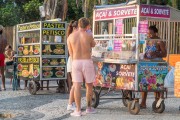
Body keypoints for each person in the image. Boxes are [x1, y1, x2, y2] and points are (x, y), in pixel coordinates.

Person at [67, 17, 96, 117]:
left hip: (75, 61)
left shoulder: (70, 37)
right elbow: (93, 44)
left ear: (78, 25)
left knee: (77, 86)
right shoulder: (88, 35)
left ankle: (78, 110)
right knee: (89, 85)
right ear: (87, 26)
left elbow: (70, 53)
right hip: (87, 61)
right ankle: (89, 108)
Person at [140, 25, 167, 108]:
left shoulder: (159, 42)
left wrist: (156, 53)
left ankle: (157, 101)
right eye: (148, 33)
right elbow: (146, 51)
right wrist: (144, 56)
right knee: (145, 82)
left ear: (155, 33)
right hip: (147, 64)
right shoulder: (148, 41)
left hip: (156, 65)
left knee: (156, 83)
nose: (149, 35)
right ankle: (143, 103)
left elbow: (165, 54)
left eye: (151, 33)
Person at [66, 20, 78, 111]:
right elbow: (71, 52)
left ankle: (72, 103)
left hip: (74, 61)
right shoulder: (71, 37)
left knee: (75, 84)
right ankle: (70, 104)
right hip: (73, 61)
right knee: (75, 84)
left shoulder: (73, 36)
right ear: (75, 28)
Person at [0, 25, 7, 91]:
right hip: (2, 55)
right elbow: (5, 47)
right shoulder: (4, 38)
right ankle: (4, 86)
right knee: (2, 73)